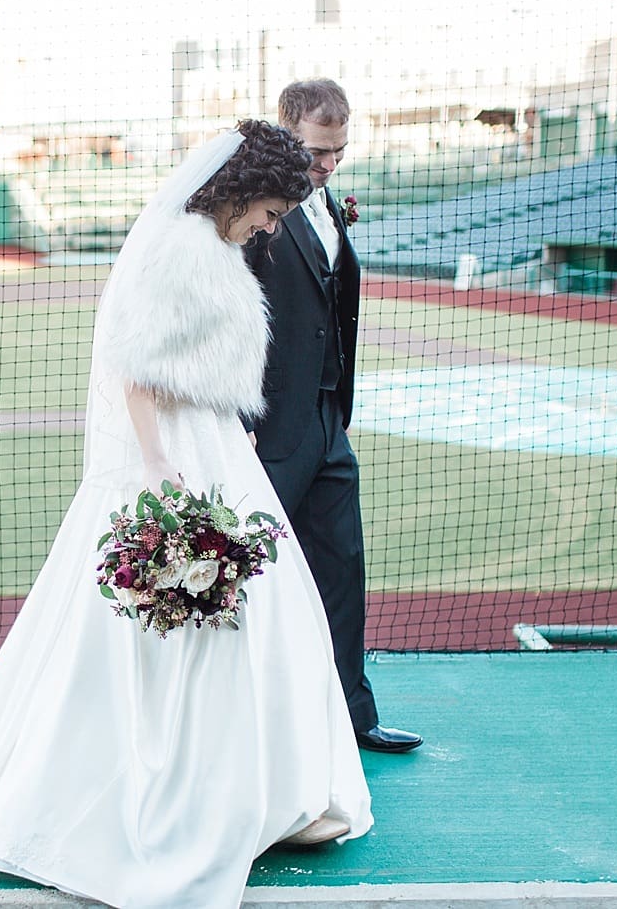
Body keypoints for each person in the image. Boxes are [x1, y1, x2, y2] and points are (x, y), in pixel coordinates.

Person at [0, 120, 372, 909]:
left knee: (255, 611)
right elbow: (136, 370)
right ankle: (183, 797)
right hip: (178, 449)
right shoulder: (179, 247)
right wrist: (156, 468)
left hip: (215, 441)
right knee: (181, 619)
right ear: (243, 188)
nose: (271, 225)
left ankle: (260, 789)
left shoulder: (211, 248)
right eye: (272, 209)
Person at [242, 79, 422, 754]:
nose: (328, 166)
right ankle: (244, 728)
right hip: (266, 427)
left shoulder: (325, 203)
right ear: (285, 131)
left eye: (339, 153)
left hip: (326, 423)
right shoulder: (248, 207)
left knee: (342, 568)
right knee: (247, 577)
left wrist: (334, 411)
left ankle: (352, 718)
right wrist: (240, 418)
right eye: (318, 152)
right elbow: (229, 316)